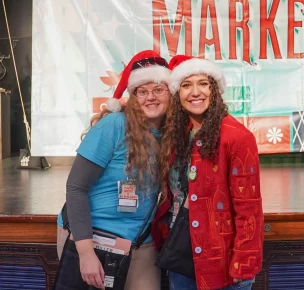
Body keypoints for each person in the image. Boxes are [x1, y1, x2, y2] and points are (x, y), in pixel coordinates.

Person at [55, 50, 171, 290]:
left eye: (159, 89)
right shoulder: (114, 125)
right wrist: (85, 253)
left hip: (140, 242)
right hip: (92, 239)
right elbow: (76, 188)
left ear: (171, 94)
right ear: (133, 96)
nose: (151, 97)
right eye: (142, 91)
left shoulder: (171, 135)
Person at [153, 55, 264, 290]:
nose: (195, 92)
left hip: (222, 261)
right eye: (186, 85)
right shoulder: (177, 135)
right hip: (182, 255)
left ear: (214, 90)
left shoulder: (237, 137)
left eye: (203, 83)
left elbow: (249, 208)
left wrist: (243, 262)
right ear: (177, 93)